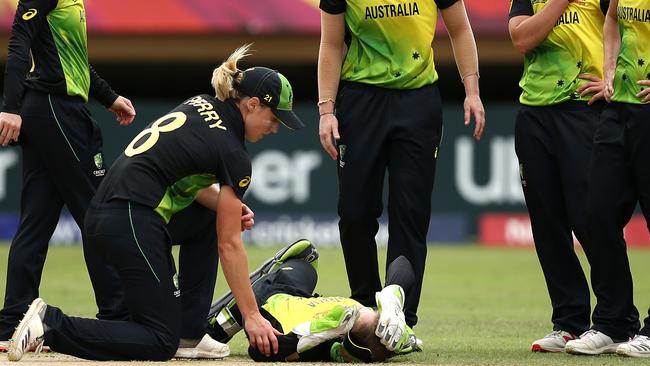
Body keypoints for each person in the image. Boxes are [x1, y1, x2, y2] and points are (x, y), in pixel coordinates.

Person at [5, 44, 305, 361]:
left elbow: (178, 175)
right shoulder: (234, 153)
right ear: (253, 104)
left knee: (207, 216)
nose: (275, 128)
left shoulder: (199, 104)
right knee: (160, 340)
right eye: (274, 118)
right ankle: (50, 324)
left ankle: (189, 333)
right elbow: (229, 244)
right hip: (131, 220)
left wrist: (223, 205)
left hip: (107, 217)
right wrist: (252, 315)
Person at [317, 0, 485, 328]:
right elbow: (331, 43)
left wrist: (472, 91)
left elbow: (461, 29)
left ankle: (400, 320)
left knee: (411, 213)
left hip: (418, 102)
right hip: (361, 100)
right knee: (355, 213)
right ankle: (364, 310)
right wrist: (326, 111)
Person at [0, 0, 136, 350]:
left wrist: (109, 97)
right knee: (97, 211)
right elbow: (19, 41)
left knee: (37, 220)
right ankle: (118, 315)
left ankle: (12, 321)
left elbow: (72, 61)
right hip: (52, 106)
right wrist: (10, 107)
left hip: (57, 107)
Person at [508, 0, 639, 354]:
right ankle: (569, 321)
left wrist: (612, 76)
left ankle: (619, 319)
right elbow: (522, 38)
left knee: (592, 217)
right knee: (547, 223)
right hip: (534, 110)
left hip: (585, 109)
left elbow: (626, 26)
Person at [565, 0, 650, 357]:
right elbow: (612, 19)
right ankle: (614, 323)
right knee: (595, 214)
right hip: (619, 108)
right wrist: (610, 71)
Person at [206, 239, 421, 363]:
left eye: (358, 317)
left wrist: (312, 335)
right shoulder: (386, 330)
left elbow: (259, 351)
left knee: (302, 252)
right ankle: (243, 302)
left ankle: (226, 319)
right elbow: (403, 264)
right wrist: (393, 298)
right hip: (298, 294)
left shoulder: (315, 337)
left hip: (269, 301)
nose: (359, 308)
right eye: (371, 312)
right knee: (306, 253)